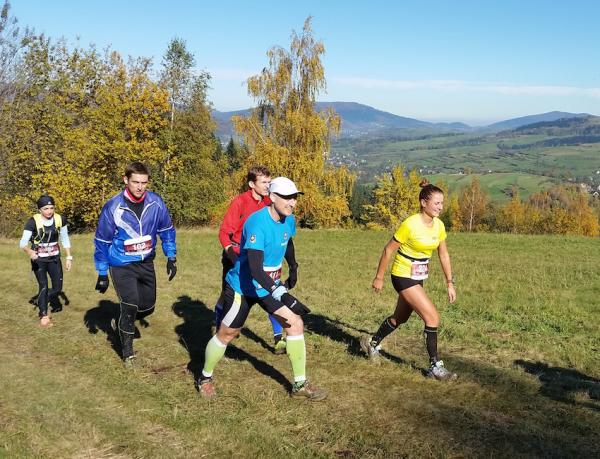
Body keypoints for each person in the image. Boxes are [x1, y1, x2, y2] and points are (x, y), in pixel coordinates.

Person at [198, 177, 326, 400]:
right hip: (243, 287)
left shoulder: (288, 219)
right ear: (273, 197)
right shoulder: (256, 223)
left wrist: (293, 267)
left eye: (295, 197)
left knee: (295, 323)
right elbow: (256, 270)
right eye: (287, 197)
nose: (292, 202)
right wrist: (283, 294)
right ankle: (205, 377)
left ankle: (300, 384)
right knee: (228, 333)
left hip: (268, 286)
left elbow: (288, 241)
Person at [360, 180, 458, 380]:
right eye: (436, 203)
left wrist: (450, 282)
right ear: (424, 203)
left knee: (400, 318)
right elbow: (388, 249)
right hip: (402, 275)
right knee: (432, 317)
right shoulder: (410, 224)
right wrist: (379, 277)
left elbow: (444, 255)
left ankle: (372, 344)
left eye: (442, 203)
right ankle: (435, 367)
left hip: (418, 276)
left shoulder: (438, 225)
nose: (441, 207)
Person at [94, 161, 177, 367]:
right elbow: (102, 241)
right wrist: (102, 272)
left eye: (144, 182)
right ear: (126, 180)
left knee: (148, 306)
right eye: (135, 182)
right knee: (130, 304)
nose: (140, 187)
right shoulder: (113, 207)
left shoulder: (156, 203)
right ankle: (128, 353)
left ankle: (120, 318)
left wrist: (171, 256)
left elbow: (166, 231)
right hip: (121, 263)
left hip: (146, 262)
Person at [216, 166, 289, 354]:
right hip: (237, 258)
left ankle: (278, 338)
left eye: (269, 182)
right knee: (227, 297)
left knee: (270, 292)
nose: (268, 186)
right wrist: (232, 255)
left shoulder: (269, 203)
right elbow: (224, 232)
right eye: (264, 182)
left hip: (260, 258)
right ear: (251, 184)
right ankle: (219, 331)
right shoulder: (240, 202)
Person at [20, 195, 73, 327]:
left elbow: (65, 239)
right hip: (39, 260)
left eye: (51, 208)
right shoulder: (32, 222)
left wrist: (68, 257)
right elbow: (22, 243)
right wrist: (30, 251)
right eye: (45, 208)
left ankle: (40, 299)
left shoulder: (60, 219)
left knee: (57, 288)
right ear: (39, 210)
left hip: (55, 258)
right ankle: (43, 315)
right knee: (43, 285)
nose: (49, 211)